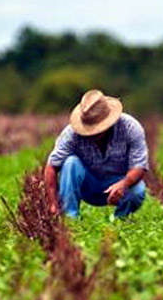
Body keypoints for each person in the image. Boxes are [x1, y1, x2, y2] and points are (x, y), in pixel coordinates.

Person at [44, 89, 148, 219]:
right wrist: (53, 204)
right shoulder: (71, 134)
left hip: (119, 183)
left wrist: (123, 184)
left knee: (137, 190)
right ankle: (70, 219)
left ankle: (120, 220)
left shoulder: (130, 127)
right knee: (71, 163)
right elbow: (51, 167)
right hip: (89, 186)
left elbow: (139, 167)